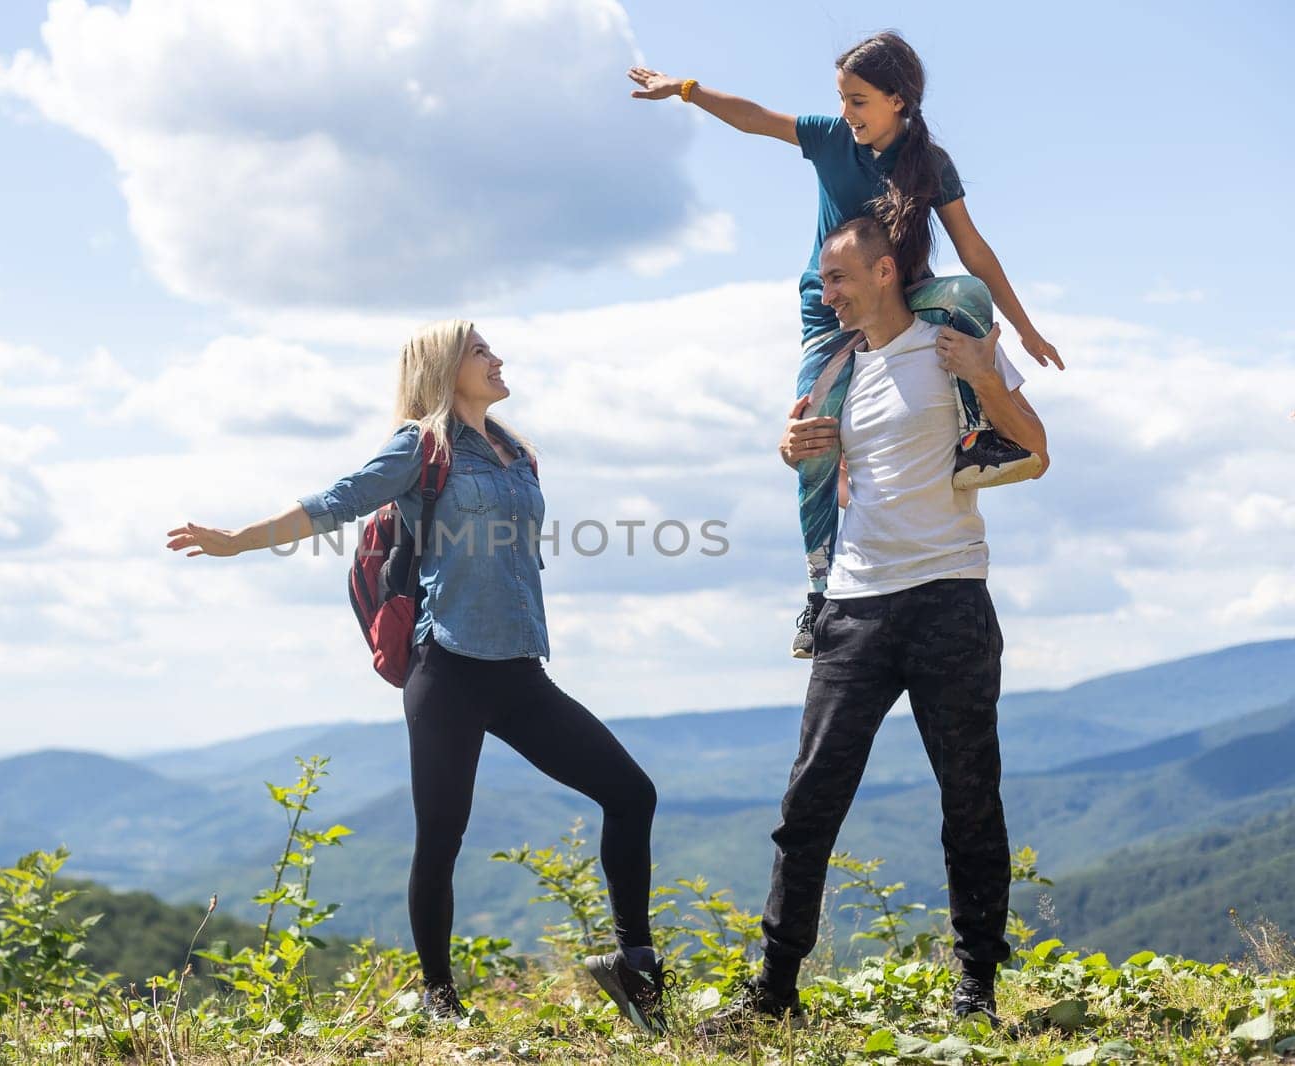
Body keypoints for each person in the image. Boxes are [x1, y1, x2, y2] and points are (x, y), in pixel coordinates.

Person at [165, 320, 669, 1032]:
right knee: (441, 835)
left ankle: (633, 966)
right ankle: (440, 997)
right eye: (481, 351)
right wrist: (238, 541)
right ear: (443, 367)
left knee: (631, 793)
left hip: (521, 668)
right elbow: (336, 501)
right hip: (450, 668)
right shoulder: (420, 447)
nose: (498, 360)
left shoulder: (516, 451)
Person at [696, 217, 1047, 1035]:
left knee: (969, 800)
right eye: (824, 280)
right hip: (853, 604)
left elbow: (1035, 448)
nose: (830, 292)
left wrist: (987, 378)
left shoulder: (954, 342)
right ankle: (775, 992)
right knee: (809, 800)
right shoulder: (836, 369)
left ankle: (976, 993)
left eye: (842, 277)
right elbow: (819, 468)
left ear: (887, 272)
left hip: (949, 594)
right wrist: (793, 450)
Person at [627, 30, 1063, 657]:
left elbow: (972, 247)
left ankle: (976, 439)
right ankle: (817, 591)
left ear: (898, 101)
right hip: (830, 316)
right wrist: (687, 90)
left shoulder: (929, 164)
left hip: (903, 295)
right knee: (814, 438)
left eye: (858, 100)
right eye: (842, 98)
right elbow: (757, 120)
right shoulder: (832, 141)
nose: (847, 113)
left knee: (967, 294)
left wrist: (1022, 325)